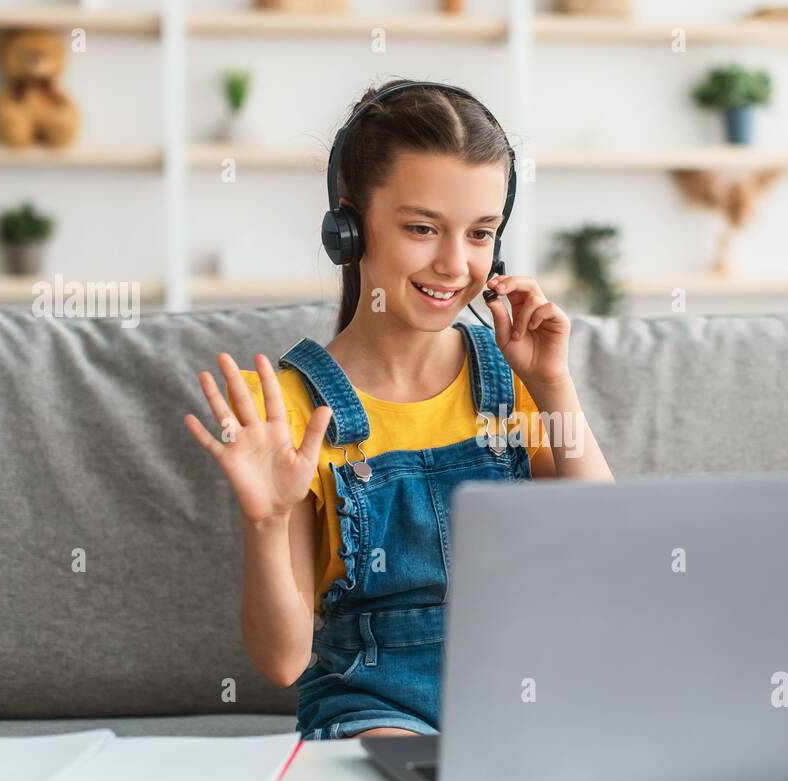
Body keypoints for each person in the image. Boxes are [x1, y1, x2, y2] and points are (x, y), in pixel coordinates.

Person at [184, 79, 614, 740]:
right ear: (348, 228)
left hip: (525, 694)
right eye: (421, 228)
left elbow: (603, 559)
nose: (453, 264)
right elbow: (283, 660)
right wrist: (267, 520)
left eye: (480, 234)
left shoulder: (520, 376)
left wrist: (554, 386)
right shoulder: (289, 409)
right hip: (379, 709)